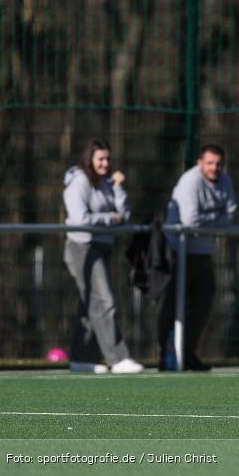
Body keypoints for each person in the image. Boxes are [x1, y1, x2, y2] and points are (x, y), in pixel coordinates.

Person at [63, 139, 144, 374]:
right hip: (83, 249)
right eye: (100, 158)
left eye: (108, 158)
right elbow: (80, 219)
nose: (105, 163)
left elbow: (124, 215)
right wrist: (110, 219)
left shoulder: (107, 182)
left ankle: (81, 358)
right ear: (89, 159)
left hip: (102, 247)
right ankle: (117, 358)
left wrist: (118, 188)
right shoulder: (79, 182)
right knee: (104, 301)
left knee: (90, 305)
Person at [159, 144, 237, 371]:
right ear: (200, 163)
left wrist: (208, 222)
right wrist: (215, 219)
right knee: (171, 306)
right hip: (178, 251)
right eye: (210, 163)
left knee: (202, 305)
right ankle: (164, 355)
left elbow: (230, 214)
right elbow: (190, 221)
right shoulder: (190, 181)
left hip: (203, 253)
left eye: (219, 164)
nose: (215, 168)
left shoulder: (225, 181)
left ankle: (189, 354)